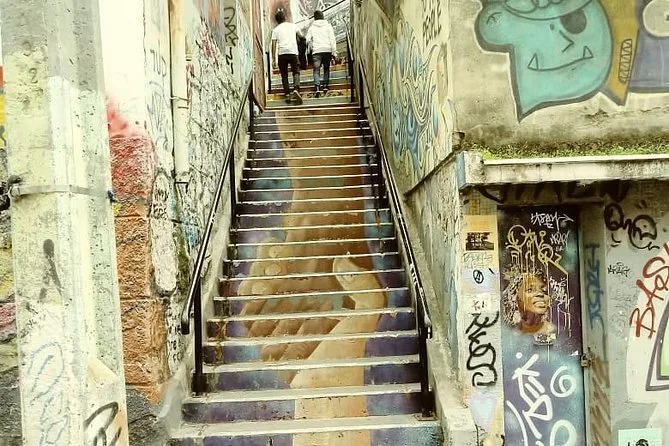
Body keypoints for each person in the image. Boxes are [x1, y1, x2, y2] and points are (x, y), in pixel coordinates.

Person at [504, 271, 556, 345]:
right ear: (514, 297)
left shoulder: (554, 331)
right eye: (530, 290)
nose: (540, 294)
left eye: (544, 291)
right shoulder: (506, 333)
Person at [271, 9, 303, 105]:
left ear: (277, 20)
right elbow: (301, 36)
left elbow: (273, 44)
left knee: (284, 75)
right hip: (293, 52)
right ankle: (296, 89)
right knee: (296, 71)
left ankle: (287, 94)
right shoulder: (293, 26)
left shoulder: (275, 30)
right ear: (285, 17)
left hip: (282, 53)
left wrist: (273, 59)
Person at [306, 10, 337, 97]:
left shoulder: (312, 28)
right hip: (327, 50)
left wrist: (311, 44)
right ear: (323, 16)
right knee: (326, 68)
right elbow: (332, 40)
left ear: (315, 18)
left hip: (316, 51)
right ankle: (325, 86)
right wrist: (334, 52)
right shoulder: (328, 26)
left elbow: (307, 39)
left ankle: (317, 87)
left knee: (316, 70)